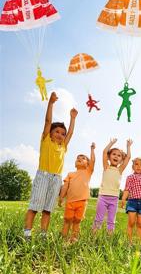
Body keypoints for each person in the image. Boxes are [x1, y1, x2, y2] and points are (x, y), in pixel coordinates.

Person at [24, 92, 78, 239]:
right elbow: (48, 122)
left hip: (56, 179)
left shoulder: (63, 147)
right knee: (35, 207)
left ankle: (43, 234)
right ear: (50, 133)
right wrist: (51, 103)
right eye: (57, 132)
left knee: (48, 209)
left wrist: (72, 118)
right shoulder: (46, 141)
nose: (60, 135)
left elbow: (71, 133)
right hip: (43, 176)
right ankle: (27, 233)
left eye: (62, 133)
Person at [92, 138, 132, 234]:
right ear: (109, 157)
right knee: (98, 219)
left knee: (111, 221)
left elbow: (128, 157)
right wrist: (111, 143)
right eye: (114, 154)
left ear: (121, 160)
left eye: (119, 156)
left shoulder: (120, 169)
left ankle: (109, 238)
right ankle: (93, 238)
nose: (116, 156)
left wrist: (128, 147)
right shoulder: (106, 166)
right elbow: (104, 152)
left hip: (114, 199)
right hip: (103, 197)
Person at [58, 143, 95, 242]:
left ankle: (74, 239)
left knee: (77, 221)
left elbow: (93, 162)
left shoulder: (88, 172)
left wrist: (92, 150)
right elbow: (65, 187)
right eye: (78, 158)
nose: (79, 158)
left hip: (82, 202)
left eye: (83, 158)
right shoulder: (70, 174)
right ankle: (64, 238)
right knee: (67, 220)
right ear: (75, 163)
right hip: (70, 201)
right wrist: (61, 197)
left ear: (87, 164)